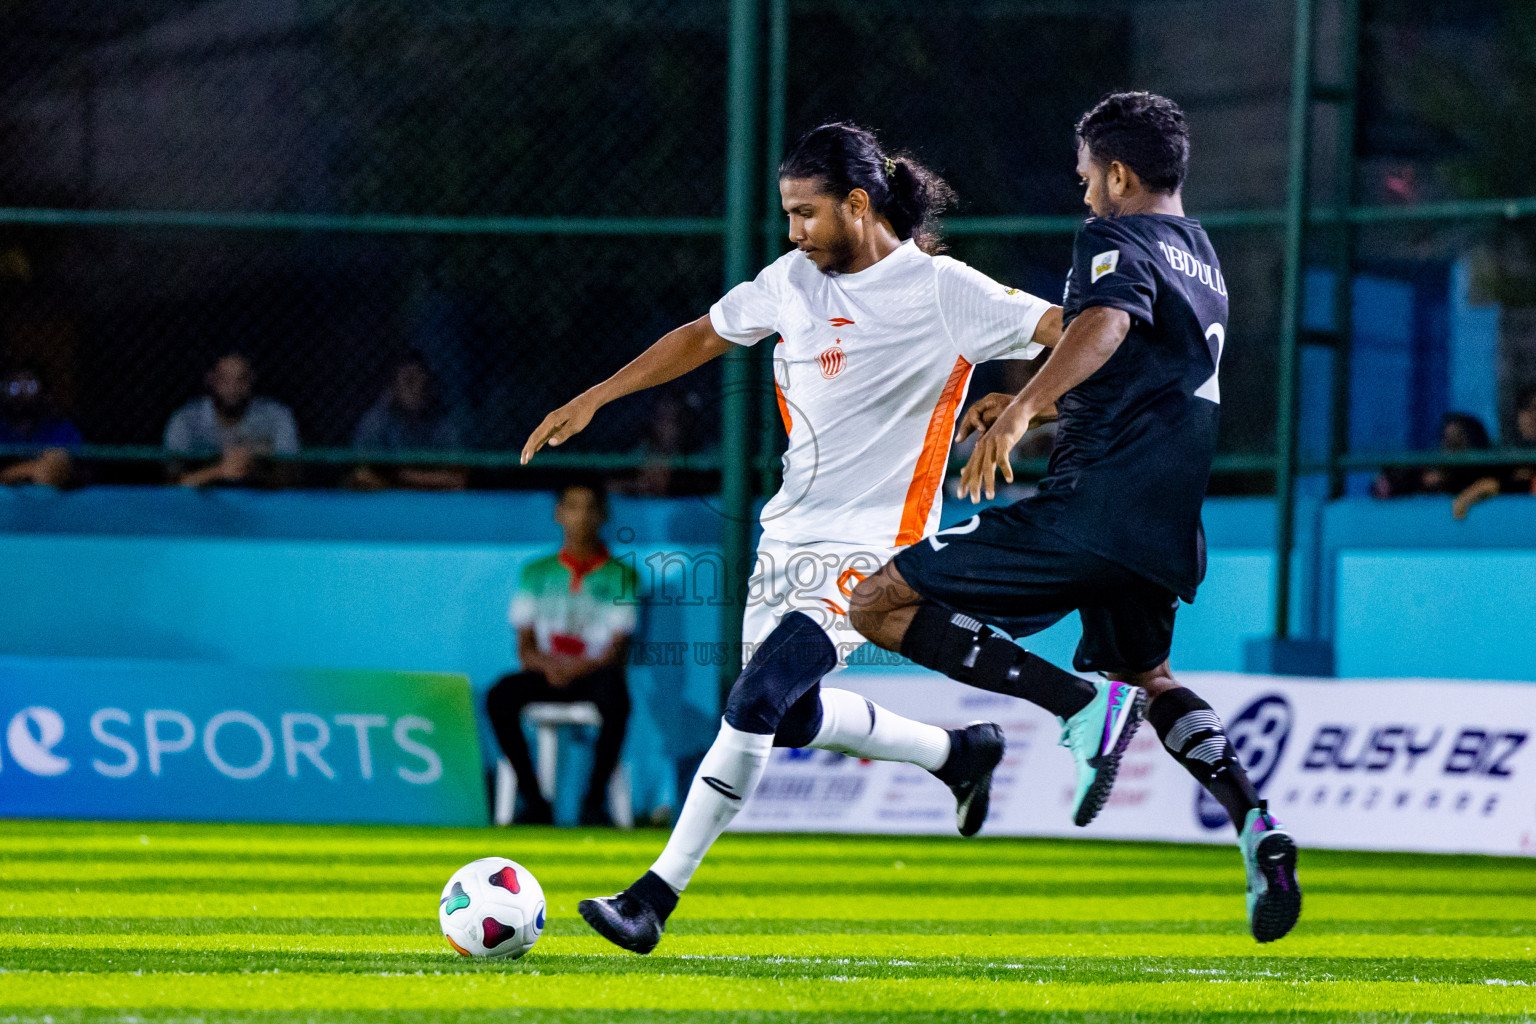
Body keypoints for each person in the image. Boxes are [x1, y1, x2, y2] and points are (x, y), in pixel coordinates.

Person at [521, 121, 1062, 953]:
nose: (793, 232)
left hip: (877, 547)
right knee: (791, 714)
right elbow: (705, 333)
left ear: (857, 203)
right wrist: (599, 394)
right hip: (786, 539)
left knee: (753, 701)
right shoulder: (791, 281)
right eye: (786, 215)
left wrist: (1028, 407)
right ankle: (957, 753)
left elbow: (1072, 334)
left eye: (806, 214)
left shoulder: (946, 290)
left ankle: (653, 898)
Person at [847, 92, 1302, 945]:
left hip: (1089, 510)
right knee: (1154, 678)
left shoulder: (1114, 238)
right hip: (1164, 525)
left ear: (1120, 174)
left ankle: (1074, 709)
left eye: (1090, 177)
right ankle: (1257, 826)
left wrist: (1023, 410)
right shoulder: (1203, 255)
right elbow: (1144, 379)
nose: (1086, 195)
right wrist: (1034, 406)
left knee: (876, 602)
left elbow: (1104, 324)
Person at [486, 480, 640, 826]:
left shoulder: (622, 576)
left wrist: (575, 669)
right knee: (500, 697)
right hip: (546, 674)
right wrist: (548, 666)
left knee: (617, 698)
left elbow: (617, 650)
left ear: (602, 515)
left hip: (593, 676)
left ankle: (594, 803)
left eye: (589, 508)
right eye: (572, 507)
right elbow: (524, 646)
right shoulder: (535, 573)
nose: (581, 517)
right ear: (558, 514)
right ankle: (533, 801)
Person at [164, 353, 300, 487]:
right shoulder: (185, 419)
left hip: (258, 502)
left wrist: (251, 468)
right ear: (210, 379)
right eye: (224, 379)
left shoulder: (276, 415)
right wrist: (220, 471)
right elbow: (173, 483)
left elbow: (290, 480)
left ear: (252, 379)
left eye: (241, 379)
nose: (233, 388)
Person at [349, 353, 468, 491]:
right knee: (360, 479)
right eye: (409, 381)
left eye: (423, 383)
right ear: (393, 387)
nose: (417, 389)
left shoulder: (442, 423)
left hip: (432, 498)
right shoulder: (376, 421)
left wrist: (401, 477)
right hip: (389, 498)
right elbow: (363, 471)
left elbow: (459, 476)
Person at [1373, 411, 1492, 500]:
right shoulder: (1420, 474)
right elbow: (1383, 484)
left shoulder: (1485, 475)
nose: (1446, 450)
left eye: (1455, 444)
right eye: (1445, 440)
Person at [0, 365, 81, 487]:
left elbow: (62, 467)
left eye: (30, 386)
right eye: (14, 387)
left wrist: (12, 473)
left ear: (44, 393)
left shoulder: (60, 428)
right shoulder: (3, 430)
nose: (22, 393)